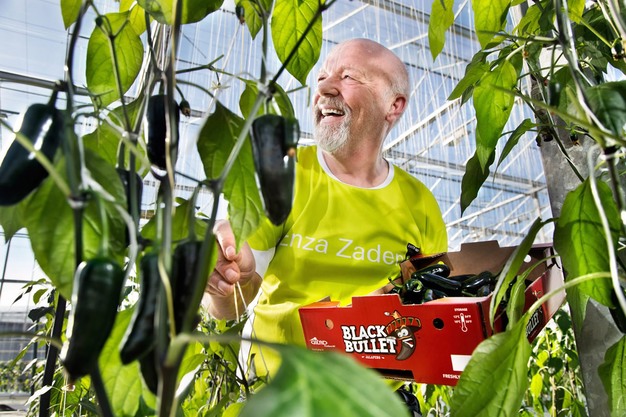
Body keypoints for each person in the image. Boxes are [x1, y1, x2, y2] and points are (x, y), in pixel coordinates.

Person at [204, 38, 447, 410]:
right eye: (321, 78)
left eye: (348, 77)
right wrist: (225, 279)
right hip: (281, 395)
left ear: (393, 105)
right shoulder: (285, 175)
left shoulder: (420, 203)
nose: (325, 88)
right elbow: (231, 304)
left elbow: (437, 309)